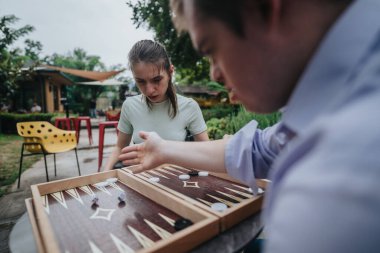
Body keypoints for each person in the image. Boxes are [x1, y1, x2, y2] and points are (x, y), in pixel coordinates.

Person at [119, 0, 380, 252]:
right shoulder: (350, 84)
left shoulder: (337, 183)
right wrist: (163, 149)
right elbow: (263, 148)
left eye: (210, 49)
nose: (214, 74)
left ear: (264, 8)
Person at [103, 40, 209, 171]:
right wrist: (104, 175)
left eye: (157, 80)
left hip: (176, 180)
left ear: (170, 72)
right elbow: (119, 147)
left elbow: (206, 151)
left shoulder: (189, 106)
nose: (149, 90)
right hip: (140, 180)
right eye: (141, 81)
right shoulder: (129, 106)